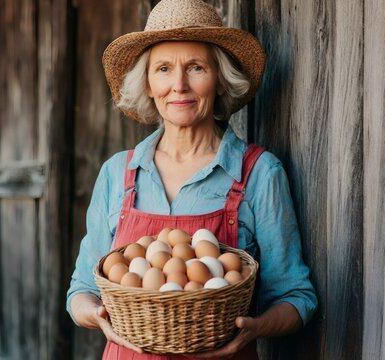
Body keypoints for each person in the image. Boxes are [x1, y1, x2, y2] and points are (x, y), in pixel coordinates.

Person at [66, 0, 317, 359]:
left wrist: (256, 329)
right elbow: (80, 291)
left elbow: (297, 297)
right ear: (149, 84)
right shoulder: (117, 174)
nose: (179, 85)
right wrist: (98, 315)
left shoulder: (259, 173)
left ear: (219, 80)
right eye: (164, 69)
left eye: (196, 67)